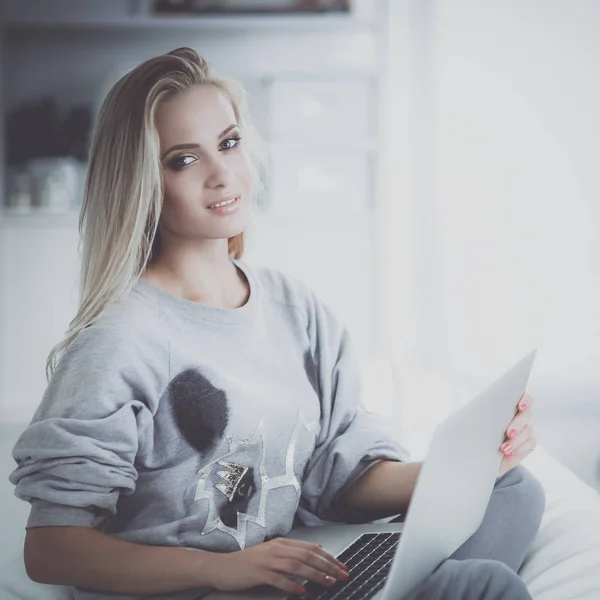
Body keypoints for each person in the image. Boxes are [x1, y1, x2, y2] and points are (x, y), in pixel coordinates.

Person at [9, 47, 544, 600]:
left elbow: (338, 481)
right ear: (141, 183)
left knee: (513, 491)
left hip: (295, 573)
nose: (222, 174)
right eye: (184, 160)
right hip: (202, 588)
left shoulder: (294, 307)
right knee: (479, 584)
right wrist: (215, 569)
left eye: (229, 143)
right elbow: (51, 548)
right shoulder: (120, 340)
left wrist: (474, 464)